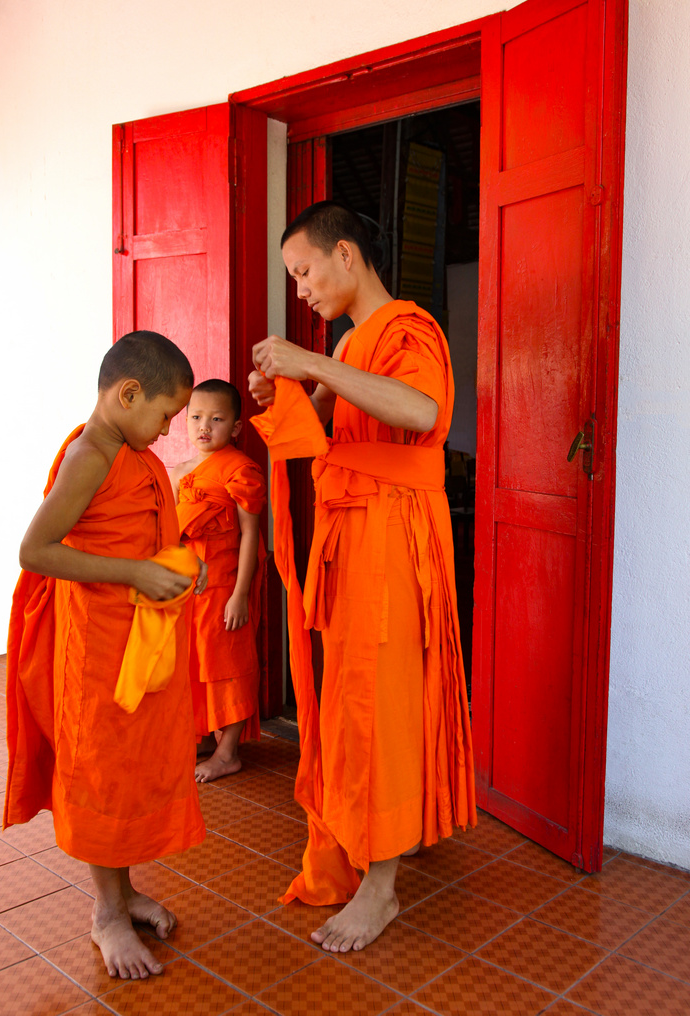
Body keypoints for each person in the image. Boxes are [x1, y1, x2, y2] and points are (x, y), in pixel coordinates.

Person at [249, 201, 475, 955]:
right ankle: (380, 836)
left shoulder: (406, 327)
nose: (302, 288)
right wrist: (288, 394)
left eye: (304, 270)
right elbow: (330, 424)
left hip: (392, 536)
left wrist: (312, 363)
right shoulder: (353, 341)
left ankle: (380, 890)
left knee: (378, 700)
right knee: (358, 698)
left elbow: (419, 410)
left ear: (346, 255)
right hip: (355, 535)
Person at [4, 331, 207, 981]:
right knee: (101, 775)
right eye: (166, 414)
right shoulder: (93, 453)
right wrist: (136, 575)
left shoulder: (131, 450)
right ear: (127, 393)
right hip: (97, 651)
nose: (169, 429)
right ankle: (105, 915)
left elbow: (147, 535)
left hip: (138, 647)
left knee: (129, 772)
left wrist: (176, 566)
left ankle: (123, 893)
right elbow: (36, 551)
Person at [170, 379, 266, 782]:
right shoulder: (180, 472)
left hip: (225, 585)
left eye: (216, 418)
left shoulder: (240, 470)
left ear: (237, 427)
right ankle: (207, 737)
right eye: (195, 417)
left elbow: (250, 535)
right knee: (195, 660)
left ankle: (228, 752)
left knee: (227, 663)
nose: (203, 426)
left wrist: (240, 594)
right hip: (188, 586)